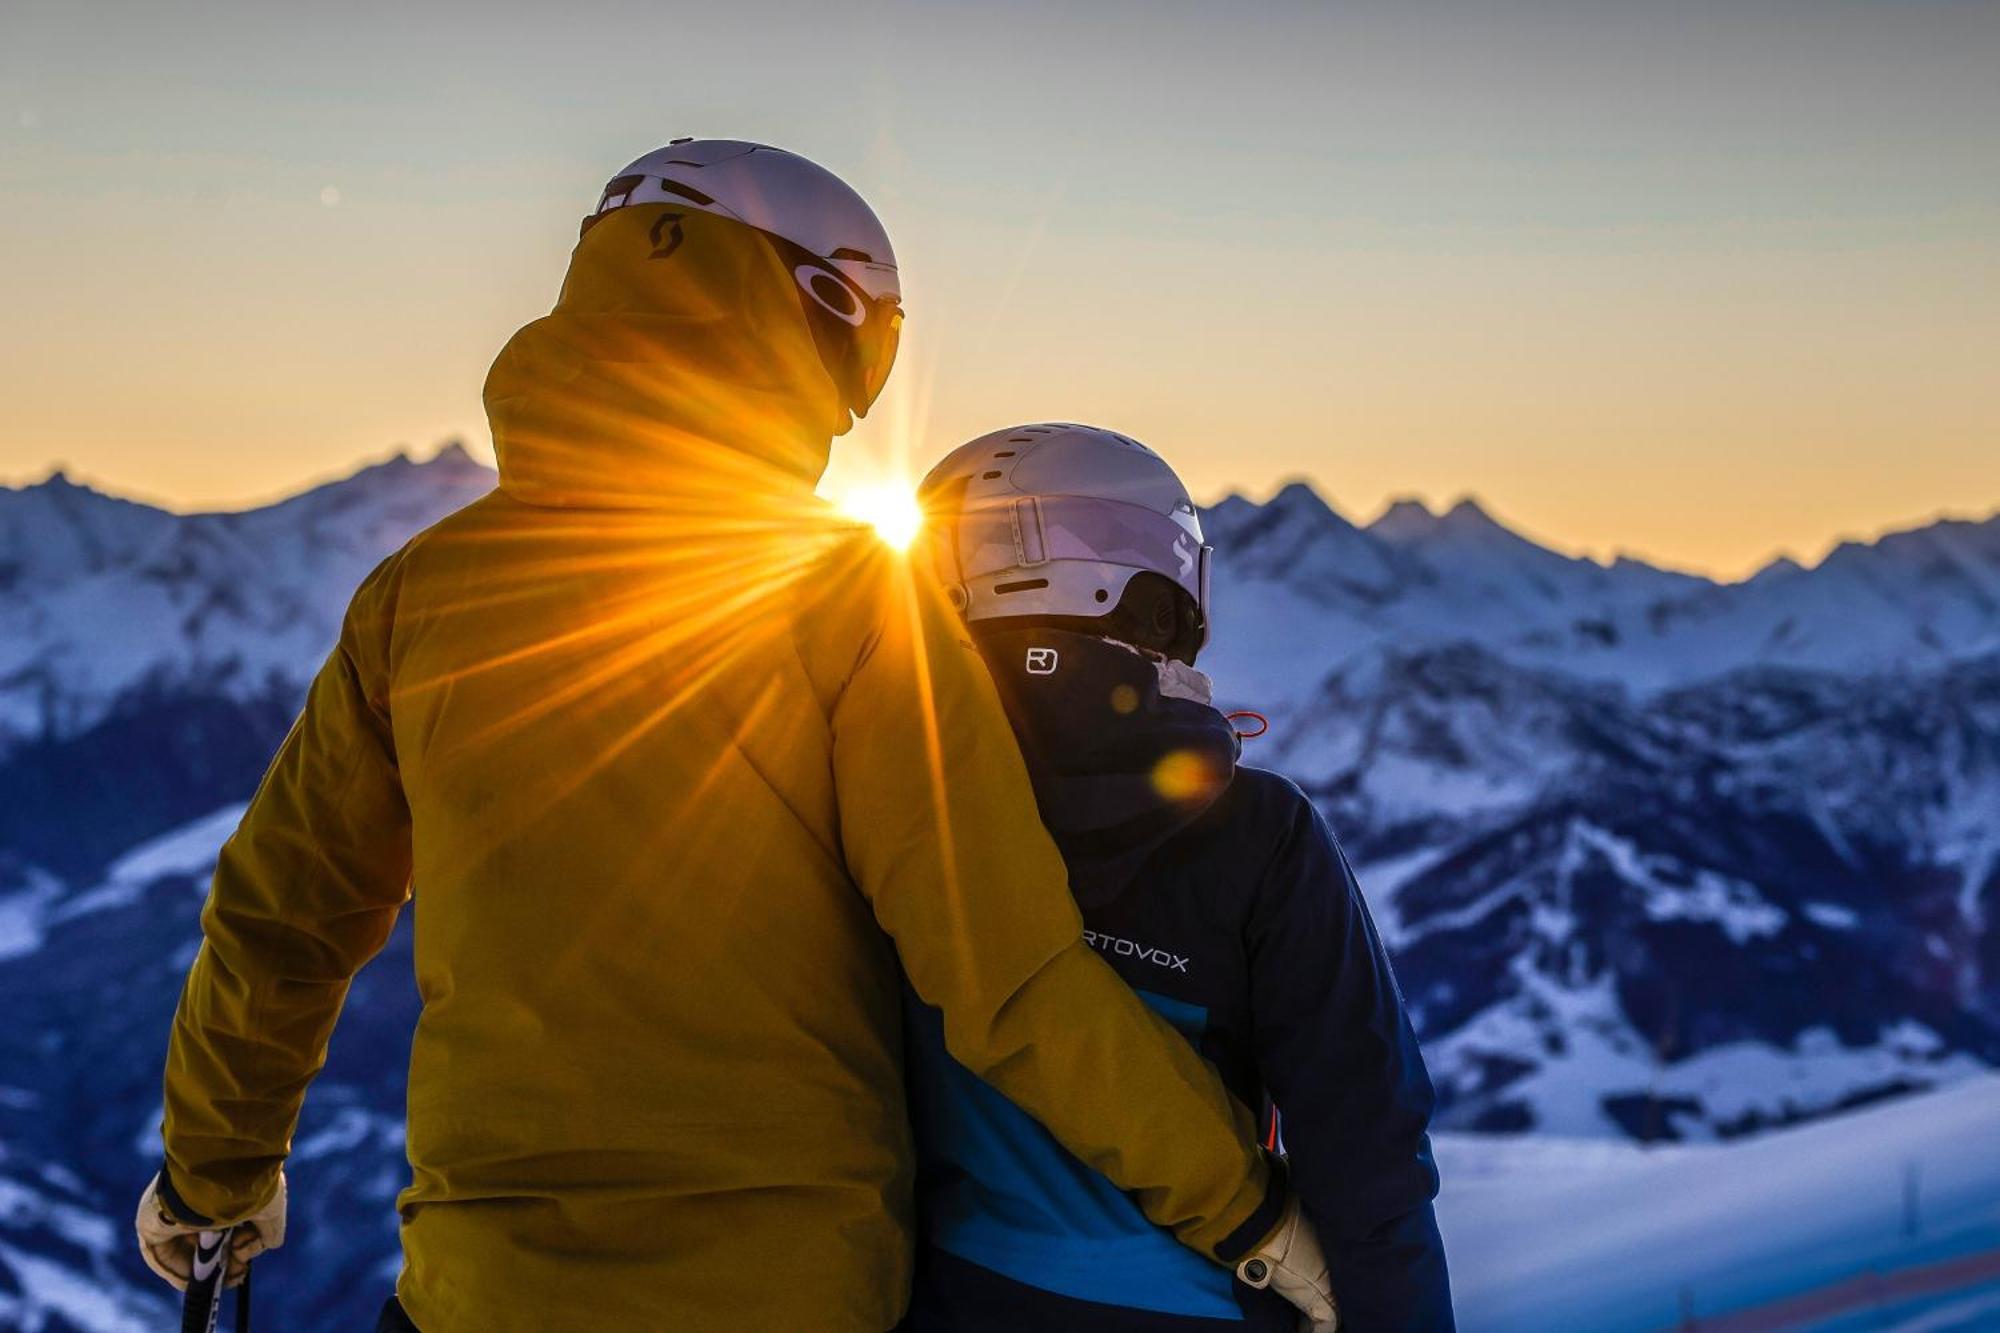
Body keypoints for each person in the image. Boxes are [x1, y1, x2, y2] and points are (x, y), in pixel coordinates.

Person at [132, 143, 1337, 1330]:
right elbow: (1005, 975)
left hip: (479, 1292)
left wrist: (215, 1177)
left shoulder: (419, 595)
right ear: (814, 311)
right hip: (787, 1290)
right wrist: (1249, 1212)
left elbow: (281, 921)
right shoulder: (851, 595)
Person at [903, 423, 1455, 1331]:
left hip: (952, 1291)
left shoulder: (894, 808)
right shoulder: (1258, 834)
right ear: (1157, 595)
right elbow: (1367, 1147)